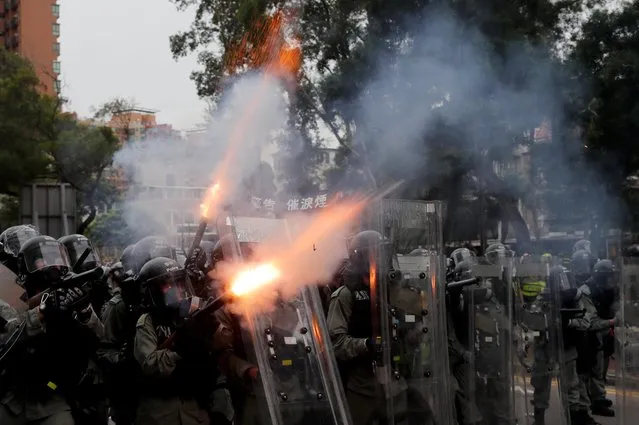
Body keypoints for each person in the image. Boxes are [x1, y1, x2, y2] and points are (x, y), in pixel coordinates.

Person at [0, 235, 103, 425]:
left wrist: (84, 311)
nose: (53, 265)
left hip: (52, 397)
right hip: (13, 399)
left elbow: (100, 340)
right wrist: (41, 312)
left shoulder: (69, 294)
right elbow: (7, 340)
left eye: (57, 258)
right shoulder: (12, 299)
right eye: (42, 260)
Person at [133, 257, 219, 425]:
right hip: (160, 412)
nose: (177, 290)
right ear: (153, 291)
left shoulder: (193, 311)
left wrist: (210, 330)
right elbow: (149, 365)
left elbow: (219, 353)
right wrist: (180, 350)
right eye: (167, 286)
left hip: (193, 407)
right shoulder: (148, 322)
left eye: (179, 284)